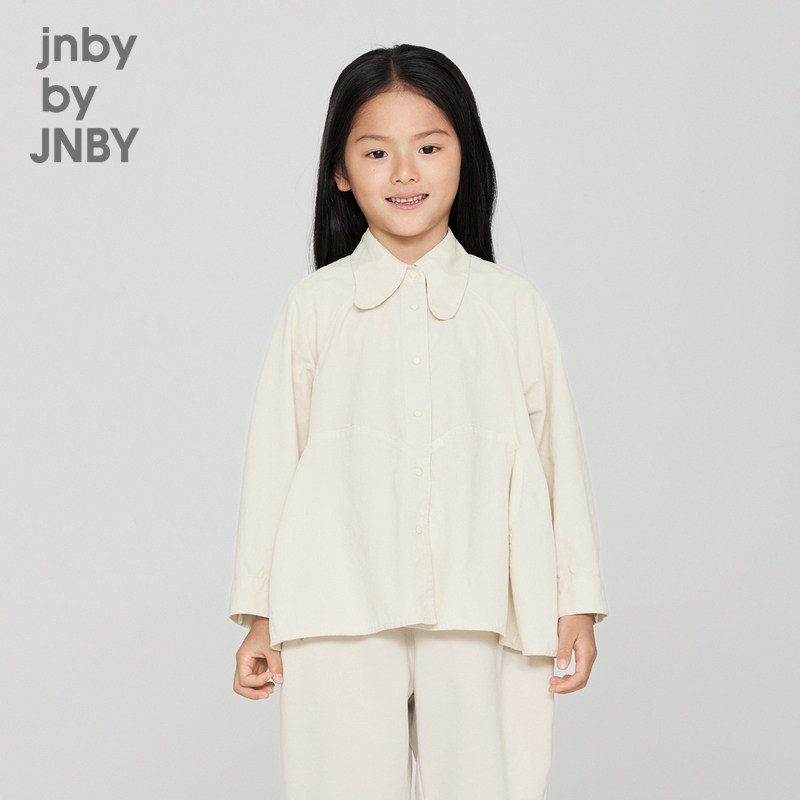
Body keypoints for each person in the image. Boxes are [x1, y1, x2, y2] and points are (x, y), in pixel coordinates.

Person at [228, 43, 610, 800]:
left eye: (429, 148)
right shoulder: (315, 306)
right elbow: (276, 458)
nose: (405, 173)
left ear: (465, 155)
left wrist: (576, 598)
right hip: (336, 603)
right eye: (377, 152)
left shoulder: (512, 305)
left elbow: (555, 454)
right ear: (341, 171)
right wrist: (260, 614)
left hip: (486, 600)